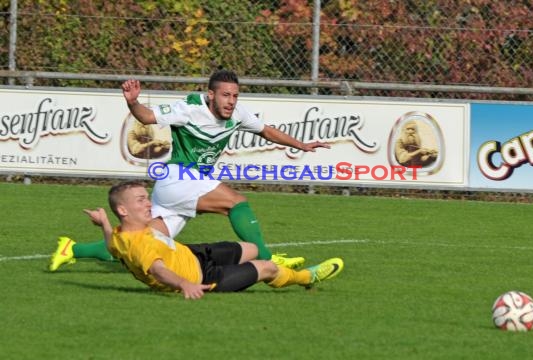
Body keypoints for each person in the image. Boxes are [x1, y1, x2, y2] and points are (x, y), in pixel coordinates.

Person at [50, 70, 330, 272]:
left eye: (234, 95)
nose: (231, 101)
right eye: (225, 95)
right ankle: (269, 260)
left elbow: (266, 131)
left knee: (143, 244)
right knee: (236, 203)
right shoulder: (189, 110)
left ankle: (71, 249)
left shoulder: (238, 113)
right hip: (179, 178)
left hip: (181, 188)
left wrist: (300, 144)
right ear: (211, 95)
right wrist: (133, 102)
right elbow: (147, 118)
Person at [83, 180, 343, 299]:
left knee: (252, 249)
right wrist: (185, 284)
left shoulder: (122, 234)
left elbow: (112, 247)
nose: (148, 203)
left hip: (194, 254)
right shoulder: (140, 245)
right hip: (203, 279)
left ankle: (288, 274)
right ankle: (307, 278)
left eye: (146, 197)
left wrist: (104, 224)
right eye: (141, 200)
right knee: (268, 268)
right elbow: (158, 270)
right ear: (124, 210)